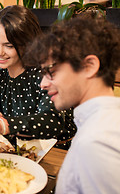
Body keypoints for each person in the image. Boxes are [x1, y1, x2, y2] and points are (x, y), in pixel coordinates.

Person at [24, 14, 120, 193]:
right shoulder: (102, 121)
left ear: (89, 66)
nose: (43, 83)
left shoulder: (96, 143)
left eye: (51, 71)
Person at [0, 5, 76, 150]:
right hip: (22, 152)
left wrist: (1, 124)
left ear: (28, 44)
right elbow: (10, 118)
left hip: (58, 155)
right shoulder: (2, 74)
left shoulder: (45, 73)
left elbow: (52, 122)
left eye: (9, 45)